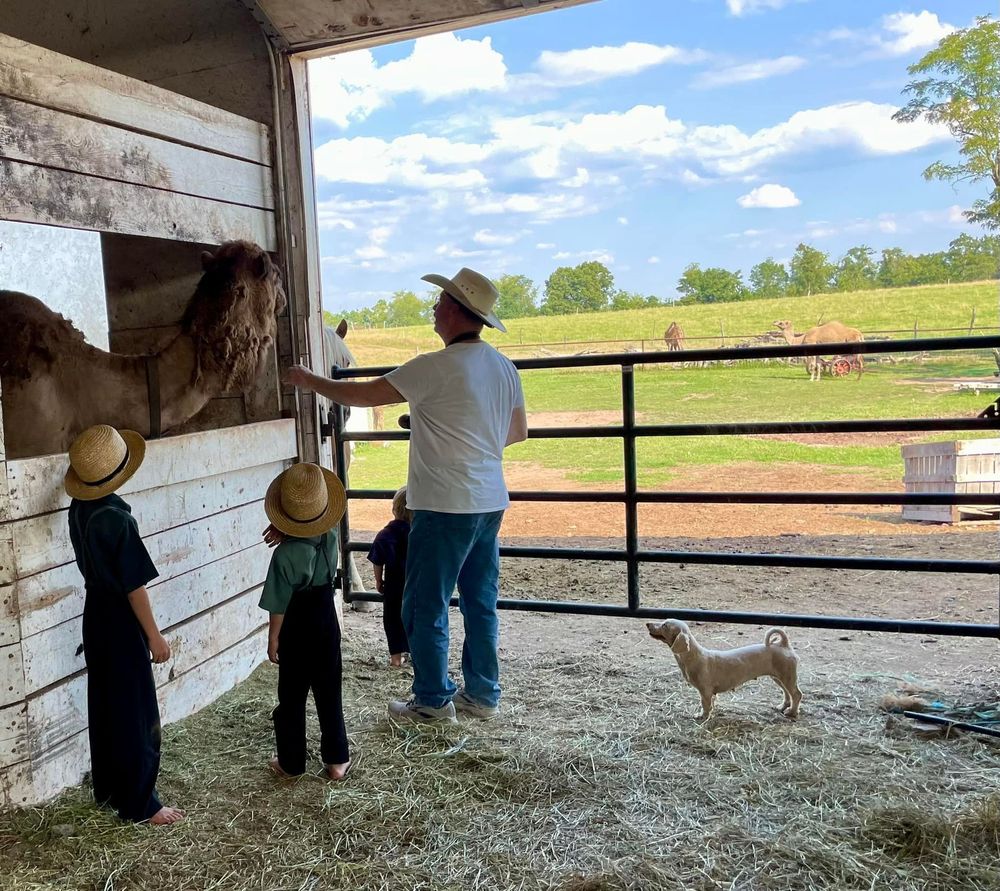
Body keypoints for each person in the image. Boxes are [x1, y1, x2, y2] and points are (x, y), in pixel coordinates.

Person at [283, 266, 527, 724]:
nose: (434, 310)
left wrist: (309, 381)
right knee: (479, 600)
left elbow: (363, 395)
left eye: (439, 303)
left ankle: (433, 701)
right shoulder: (503, 367)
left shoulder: (431, 368)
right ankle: (483, 694)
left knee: (423, 602)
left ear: (455, 311)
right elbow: (515, 433)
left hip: (443, 502)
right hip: (490, 499)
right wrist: (461, 434)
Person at [64, 424, 184, 825]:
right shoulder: (118, 520)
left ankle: (109, 788)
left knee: (106, 701)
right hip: (119, 615)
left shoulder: (79, 510)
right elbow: (135, 589)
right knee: (136, 708)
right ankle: (141, 803)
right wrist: (155, 637)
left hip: (94, 611)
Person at [260, 462, 353, 780]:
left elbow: (278, 603)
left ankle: (290, 762)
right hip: (326, 620)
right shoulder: (330, 536)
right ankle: (337, 761)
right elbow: (310, 538)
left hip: (296, 627)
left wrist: (274, 639)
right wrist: (288, 531)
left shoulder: (283, 557)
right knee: (329, 690)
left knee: (291, 695)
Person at [367, 486, 411, 667]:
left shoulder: (385, 534)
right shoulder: (417, 534)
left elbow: (377, 561)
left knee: (392, 619)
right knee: (414, 618)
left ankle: (395, 658)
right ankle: (413, 651)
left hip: (393, 585)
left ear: (394, 508)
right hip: (415, 584)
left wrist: (379, 580)